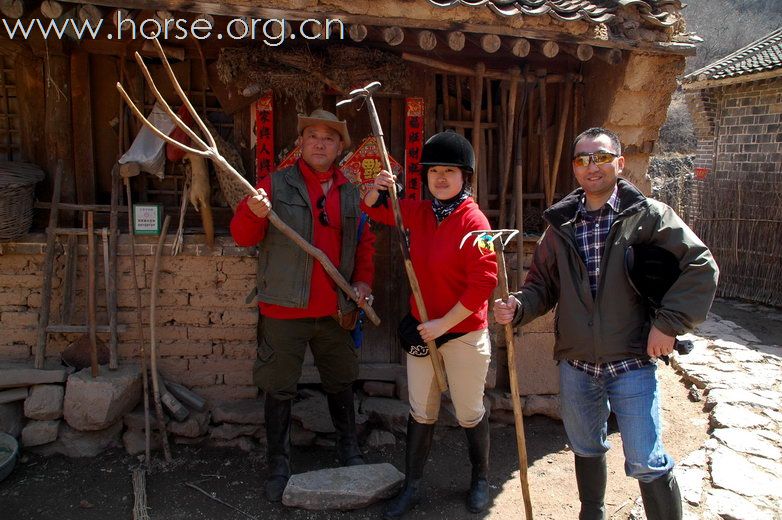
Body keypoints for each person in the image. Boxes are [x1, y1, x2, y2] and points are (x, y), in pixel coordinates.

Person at [494, 127, 719, 520]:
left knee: (646, 459)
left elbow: (701, 266)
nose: (591, 166)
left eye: (600, 157)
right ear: (574, 169)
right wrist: (518, 307)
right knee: (585, 447)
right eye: (582, 159)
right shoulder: (561, 225)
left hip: (631, 359)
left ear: (620, 162)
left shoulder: (648, 216)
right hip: (577, 362)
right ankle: (591, 514)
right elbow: (541, 286)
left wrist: (667, 325)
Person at [230, 109, 375, 502]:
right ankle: (278, 462)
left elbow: (363, 243)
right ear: (300, 142)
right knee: (279, 386)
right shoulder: (274, 185)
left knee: (341, 379)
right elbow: (243, 237)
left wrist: (362, 282)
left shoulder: (350, 191)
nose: (320, 143)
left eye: (329, 138)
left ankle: (349, 448)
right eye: (313, 136)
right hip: (284, 308)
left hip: (335, 308)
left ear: (340, 147)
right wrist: (251, 211)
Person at [361, 131, 498, 518]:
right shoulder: (417, 211)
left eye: (449, 171)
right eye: (434, 171)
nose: (440, 178)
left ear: (464, 177)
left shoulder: (477, 222)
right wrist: (377, 188)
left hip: (463, 331)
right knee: (421, 409)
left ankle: (481, 479)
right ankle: (413, 486)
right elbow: (374, 209)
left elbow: (483, 284)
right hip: (423, 328)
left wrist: (444, 324)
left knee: (470, 410)